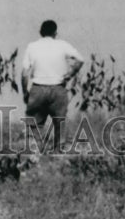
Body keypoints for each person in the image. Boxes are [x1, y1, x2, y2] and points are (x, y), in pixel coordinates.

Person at [20, 20, 84, 153]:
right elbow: (80, 60)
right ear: (55, 33)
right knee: (59, 124)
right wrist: (70, 74)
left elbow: (25, 73)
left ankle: (36, 154)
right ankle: (58, 154)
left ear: (40, 32)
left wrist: (25, 92)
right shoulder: (62, 45)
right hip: (58, 89)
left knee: (34, 125)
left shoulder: (32, 46)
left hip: (38, 88)